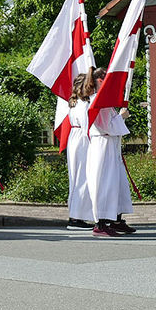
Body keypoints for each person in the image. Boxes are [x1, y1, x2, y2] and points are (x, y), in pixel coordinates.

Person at [84, 67, 135, 237]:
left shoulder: (103, 101)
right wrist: (122, 117)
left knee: (117, 183)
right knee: (105, 183)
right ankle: (101, 223)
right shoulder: (98, 101)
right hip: (103, 146)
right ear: (100, 81)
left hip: (109, 145)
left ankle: (115, 219)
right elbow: (107, 126)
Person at [65, 74, 93, 230]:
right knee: (83, 177)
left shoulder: (74, 104)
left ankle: (76, 214)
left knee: (76, 177)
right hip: (82, 139)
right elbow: (87, 124)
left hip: (74, 139)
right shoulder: (83, 105)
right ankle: (77, 217)